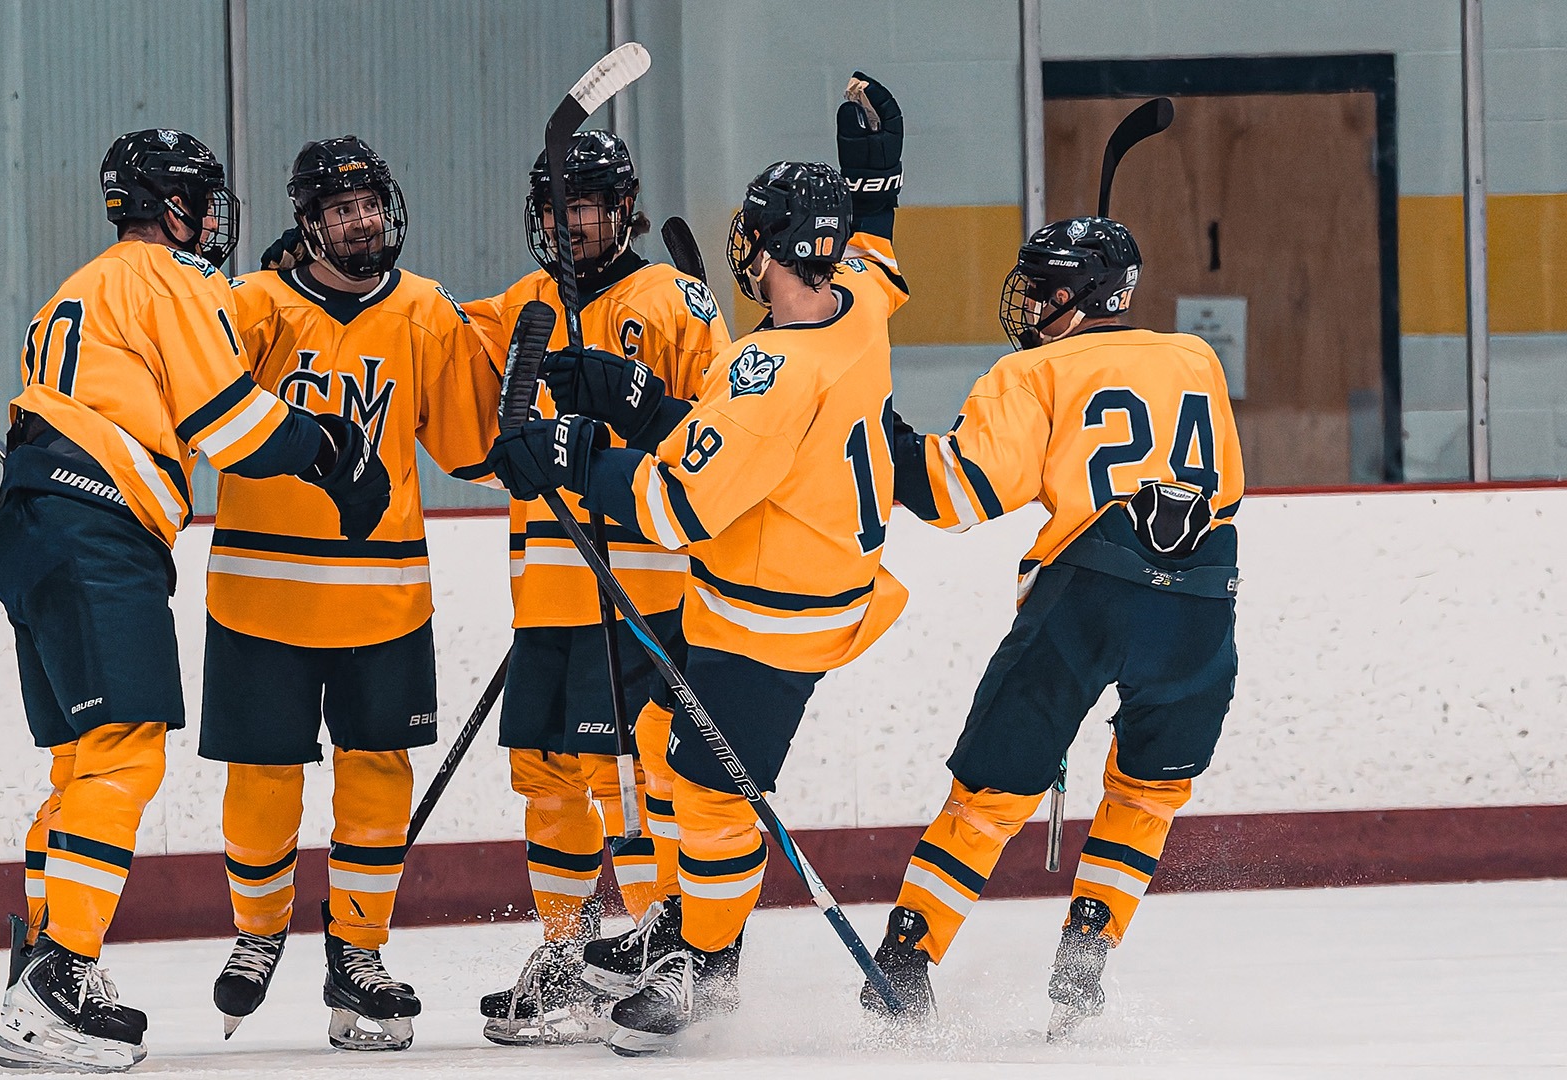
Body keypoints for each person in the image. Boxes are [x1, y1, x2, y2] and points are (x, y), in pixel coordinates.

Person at [484, 73, 911, 1055]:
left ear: (762, 250)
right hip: (808, 590)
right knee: (674, 759)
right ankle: (679, 930)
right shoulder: (856, 310)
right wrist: (631, 394)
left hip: (767, 620)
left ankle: (699, 968)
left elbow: (675, 505)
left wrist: (576, 451)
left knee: (713, 802)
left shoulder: (771, 374)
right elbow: (872, 259)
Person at [0, 128, 387, 1072]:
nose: (213, 218)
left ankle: (42, 968)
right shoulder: (168, 278)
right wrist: (330, 452)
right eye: (202, 201)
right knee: (123, 754)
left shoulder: (84, 287)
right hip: (96, 528)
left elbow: (180, 364)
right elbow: (233, 422)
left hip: (29, 524)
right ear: (171, 207)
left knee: (83, 762)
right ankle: (57, 983)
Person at [866, 211, 1243, 1040]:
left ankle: (904, 959)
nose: (1029, 305)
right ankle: (1088, 948)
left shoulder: (1025, 375)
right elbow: (1221, 484)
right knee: (1149, 789)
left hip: (1088, 595)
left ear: (1080, 294)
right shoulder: (1196, 357)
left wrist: (880, 432)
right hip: (1203, 594)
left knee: (992, 795)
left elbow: (957, 495)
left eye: (1042, 289)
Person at [199, 135, 497, 1052]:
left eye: (370, 203)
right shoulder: (251, 308)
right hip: (260, 595)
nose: (362, 220)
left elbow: (469, 445)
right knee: (263, 777)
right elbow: (199, 410)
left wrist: (554, 429)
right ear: (308, 223)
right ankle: (257, 933)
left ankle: (358, 957)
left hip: (385, 597)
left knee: (378, 777)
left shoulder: (424, 310)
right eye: (341, 209)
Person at [462, 129, 730, 1046]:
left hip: (643, 588)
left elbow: (725, 438)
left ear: (623, 208)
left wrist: (638, 407)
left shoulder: (674, 301)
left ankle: (666, 962)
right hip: (547, 585)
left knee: (646, 784)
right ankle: (570, 957)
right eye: (554, 207)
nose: (567, 221)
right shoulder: (520, 305)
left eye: (584, 204)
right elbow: (442, 364)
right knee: (546, 774)